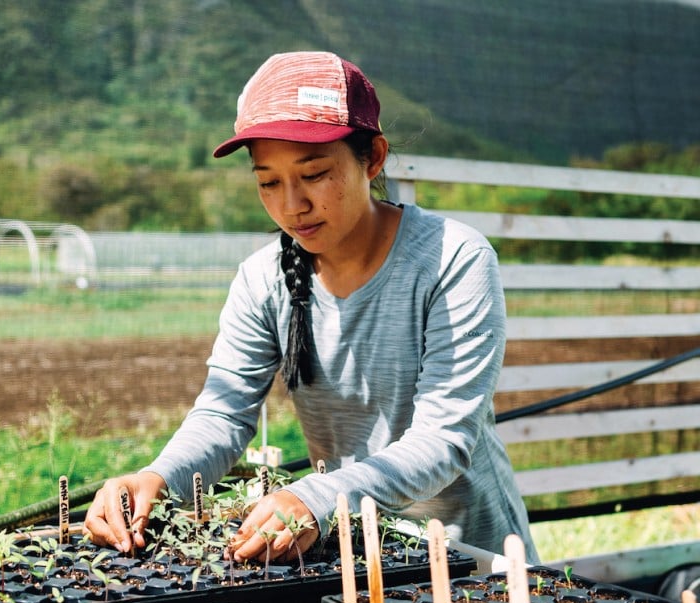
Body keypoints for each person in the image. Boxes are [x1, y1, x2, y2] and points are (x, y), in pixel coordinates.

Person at [84, 50, 539, 565]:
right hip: (345, 555)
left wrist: (317, 497)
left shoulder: (452, 259)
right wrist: (156, 478)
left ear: (373, 158)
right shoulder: (263, 280)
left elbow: (443, 440)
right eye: (268, 182)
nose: (291, 205)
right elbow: (223, 413)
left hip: (473, 556)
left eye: (315, 173)